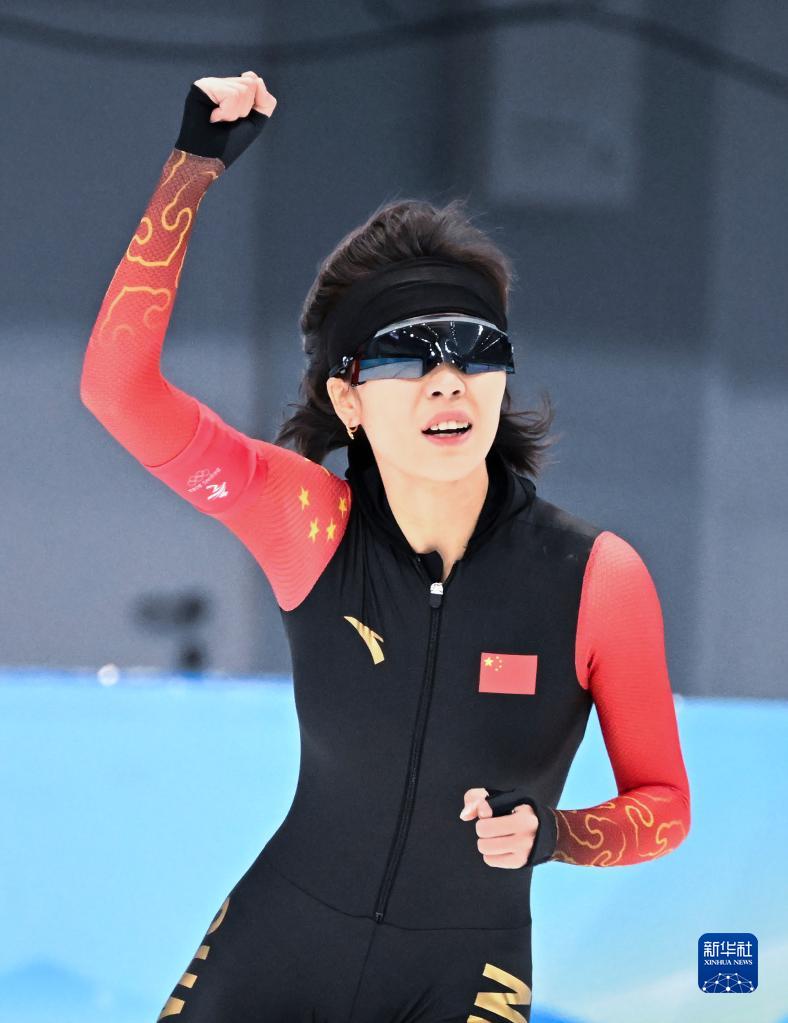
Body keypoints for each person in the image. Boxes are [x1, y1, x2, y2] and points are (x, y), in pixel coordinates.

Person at [80, 71, 692, 1023]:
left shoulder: (596, 579)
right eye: (408, 354)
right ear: (348, 398)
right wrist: (193, 167)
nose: (448, 381)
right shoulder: (307, 523)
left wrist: (555, 834)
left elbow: (665, 804)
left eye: (475, 348)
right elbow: (118, 392)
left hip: (464, 971)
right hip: (280, 944)